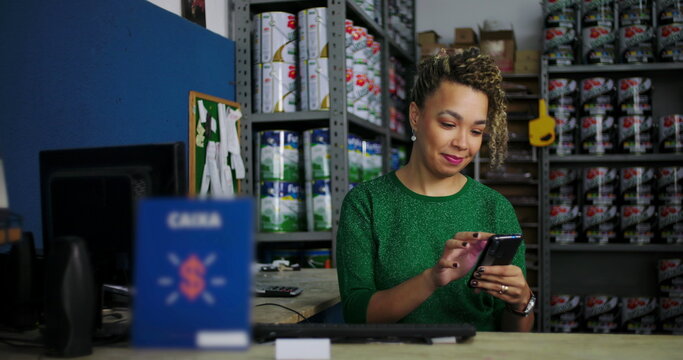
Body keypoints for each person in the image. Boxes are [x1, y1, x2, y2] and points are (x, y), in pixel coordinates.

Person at [336, 48, 534, 331]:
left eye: (476, 131)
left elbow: (514, 333)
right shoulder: (366, 203)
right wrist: (432, 279)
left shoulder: (495, 207)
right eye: (449, 124)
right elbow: (356, 314)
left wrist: (522, 302)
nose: (463, 143)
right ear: (416, 116)